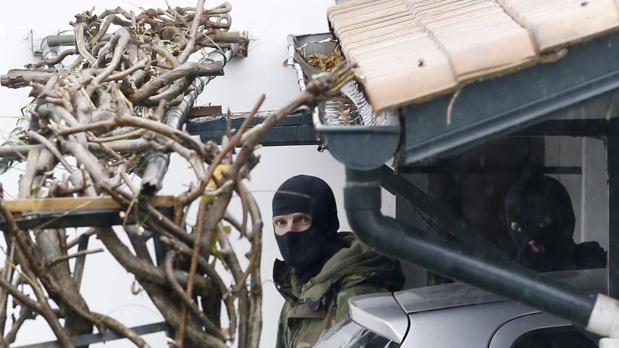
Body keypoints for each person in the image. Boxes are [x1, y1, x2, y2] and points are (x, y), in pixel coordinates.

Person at [272, 175, 404, 348]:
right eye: (281, 222)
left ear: (325, 222)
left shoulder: (357, 298)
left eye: (301, 220)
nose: (289, 233)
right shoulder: (295, 294)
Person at [505, 173, 606, 272]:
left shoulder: (595, 266)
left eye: (541, 224)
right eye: (519, 227)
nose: (531, 240)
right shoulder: (506, 277)